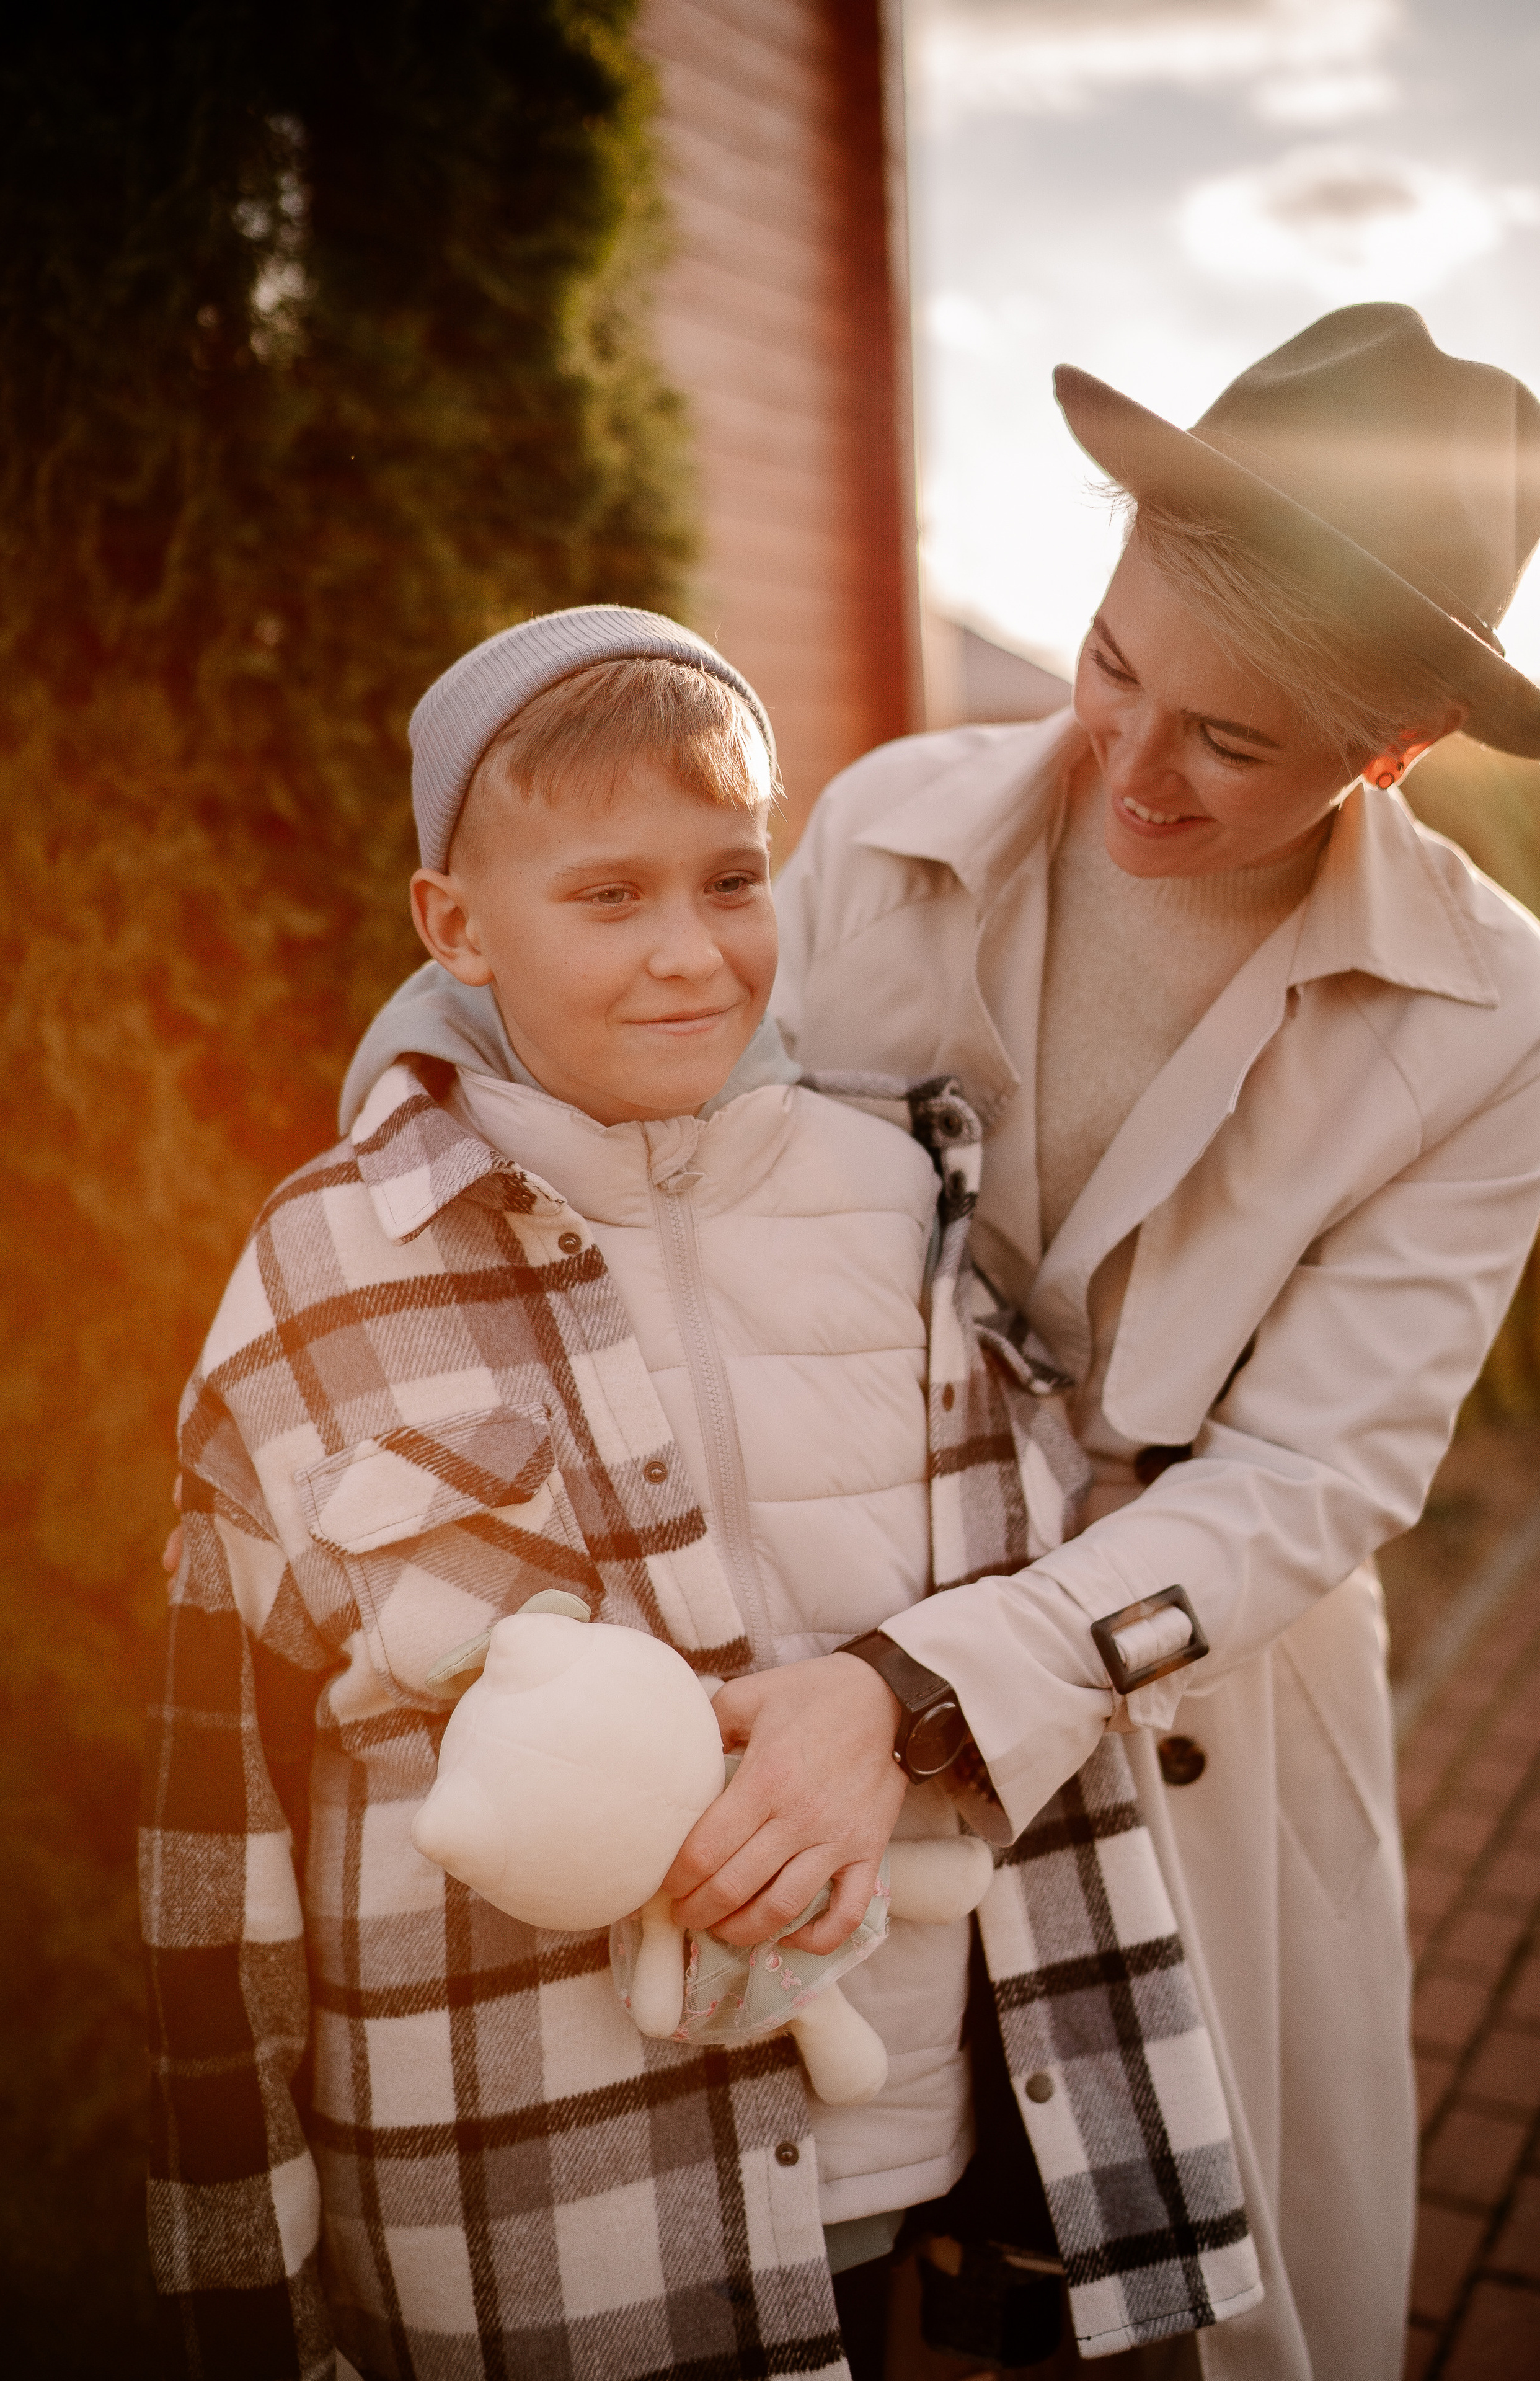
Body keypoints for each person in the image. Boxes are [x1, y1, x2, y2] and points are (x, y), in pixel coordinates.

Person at [148, 608, 1220, 2381]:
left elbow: (1051, 1605)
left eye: (732, 879)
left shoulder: (905, 1200)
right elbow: (220, 1848)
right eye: (607, 895)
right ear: (456, 924)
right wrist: (250, 2304)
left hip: (917, 2143)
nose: (689, 956)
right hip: (557, 2238)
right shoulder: (321, 1275)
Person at [661, 304, 1540, 2379]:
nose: (1129, 769)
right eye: (1116, 665)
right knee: (831, 2265)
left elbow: (1316, 1477)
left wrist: (927, 1691)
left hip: (1187, 1727)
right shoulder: (881, 830)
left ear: (1391, 751)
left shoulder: (1495, 1021)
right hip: (813, 1678)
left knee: (1145, 2312)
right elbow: (682, 1142)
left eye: (1230, 741)